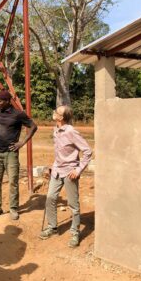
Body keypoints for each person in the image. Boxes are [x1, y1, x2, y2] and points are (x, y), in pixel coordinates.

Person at [39, 105, 92, 248]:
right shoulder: (55, 130)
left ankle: (75, 232)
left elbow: (87, 152)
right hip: (56, 171)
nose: (54, 112)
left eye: (56, 112)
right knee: (50, 197)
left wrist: (78, 169)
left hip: (70, 173)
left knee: (73, 205)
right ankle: (52, 227)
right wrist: (52, 166)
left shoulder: (72, 132)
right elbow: (59, 152)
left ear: (62, 118)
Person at [0, 89, 37, 220]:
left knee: (13, 181)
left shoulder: (18, 114)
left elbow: (33, 126)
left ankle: (13, 208)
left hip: (11, 153)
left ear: (8, 101)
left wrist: (22, 143)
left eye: (0, 101)